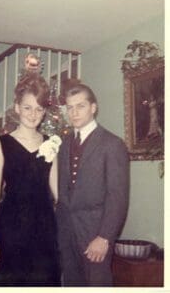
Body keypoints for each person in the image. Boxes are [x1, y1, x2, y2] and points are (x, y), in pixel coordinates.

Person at [0, 73, 61, 286]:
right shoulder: (2, 144)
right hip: (10, 230)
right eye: (27, 107)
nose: (33, 114)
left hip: (44, 231)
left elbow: (59, 194)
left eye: (39, 108)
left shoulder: (50, 144)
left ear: (44, 111)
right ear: (17, 107)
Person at [56, 82, 130, 286]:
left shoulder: (112, 144)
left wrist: (104, 237)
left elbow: (118, 196)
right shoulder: (64, 143)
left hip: (95, 233)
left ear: (93, 108)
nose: (74, 112)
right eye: (70, 107)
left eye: (80, 106)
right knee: (72, 284)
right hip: (67, 231)